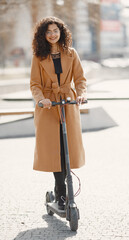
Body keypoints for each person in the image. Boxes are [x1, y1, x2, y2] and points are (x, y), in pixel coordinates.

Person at [30, 16, 87, 210]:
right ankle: (61, 192)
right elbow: (35, 84)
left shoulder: (71, 53)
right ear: (43, 35)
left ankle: (62, 192)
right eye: (48, 31)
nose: (52, 34)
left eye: (56, 31)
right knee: (54, 151)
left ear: (61, 32)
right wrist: (41, 99)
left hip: (68, 104)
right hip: (48, 106)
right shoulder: (38, 57)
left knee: (67, 149)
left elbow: (80, 79)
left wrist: (80, 95)